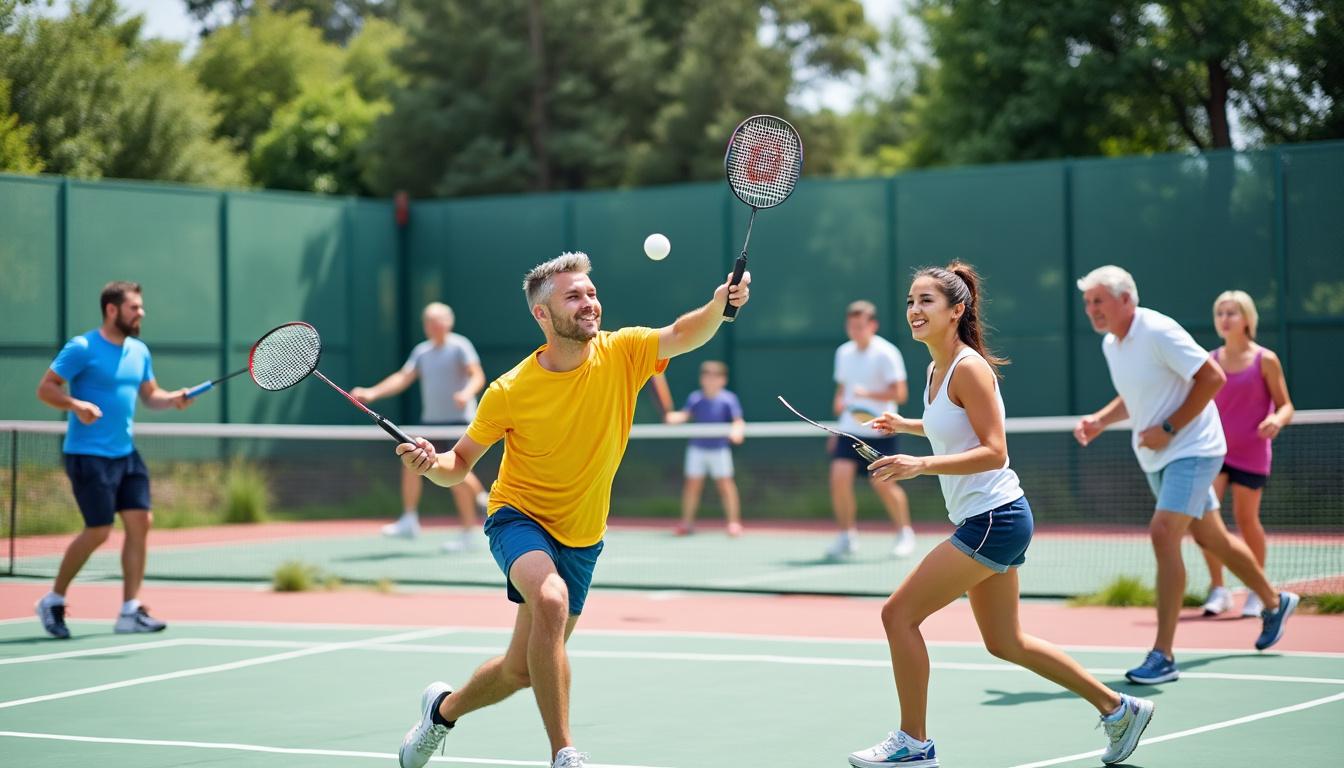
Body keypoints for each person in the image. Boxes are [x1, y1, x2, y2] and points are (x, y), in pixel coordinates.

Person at [391, 252, 750, 768]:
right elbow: (458, 463)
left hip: (583, 535)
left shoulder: (624, 352)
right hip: (519, 518)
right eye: (574, 296)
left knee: (520, 671)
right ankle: (565, 753)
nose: (590, 303)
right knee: (551, 602)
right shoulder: (510, 391)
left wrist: (719, 305)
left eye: (591, 292)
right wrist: (430, 464)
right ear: (542, 315)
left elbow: (683, 333)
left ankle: (441, 713)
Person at [854, 262, 1153, 768]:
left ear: (956, 310)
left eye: (926, 301)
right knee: (1005, 641)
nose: (914, 310)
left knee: (898, 615)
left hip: (994, 518)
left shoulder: (969, 367)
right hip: (994, 519)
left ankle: (913, 742)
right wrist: (908, 424)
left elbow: (994, 451)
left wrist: (919, 465)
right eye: (910, 301)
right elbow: (954, 426)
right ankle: (1119, 708)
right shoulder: (935, 368)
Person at [1074, 266, 1298, 685]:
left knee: (1163, 533)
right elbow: (1136, 394)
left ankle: (1163, 655)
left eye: (1099, 300)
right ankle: (1274, 600)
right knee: (1210, 535)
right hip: (1158, 456)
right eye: (1088, 303)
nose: (1092, 310)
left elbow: (1211, 377)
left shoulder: (1158, 330)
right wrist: (1100, 420)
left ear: (1126, 300)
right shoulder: (1112, 345)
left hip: (1195, 448)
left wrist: (1170, 428)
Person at [33, 281, 193, 639]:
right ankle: (53, 599)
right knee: (100, 530)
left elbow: (151, 397)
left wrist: (174, 398)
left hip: (126, 453)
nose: (141, 313)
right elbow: (46, 387)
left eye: (140, 306)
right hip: (88, 455)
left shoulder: (139, 351)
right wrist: (76, 405)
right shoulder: (82, 347)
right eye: (134, 307)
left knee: (141, 522)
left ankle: (129, 610)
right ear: (111, 310)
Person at [351, 302, 489, 552]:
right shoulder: (422, 352)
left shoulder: (460, 346)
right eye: (429, 321)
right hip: (431, 424)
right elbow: (403, 377)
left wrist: (466, 393)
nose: (433, 325)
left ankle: (474, 522)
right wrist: (372, 393)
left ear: (449, 322)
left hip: (458, 423)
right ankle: (410, 519)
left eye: (438, 320)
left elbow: (476, 375)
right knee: (411, 462)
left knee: (457, 474)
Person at [1198, 290, 1295, 617]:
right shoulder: (1210, 362)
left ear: (1247, 319)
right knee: (1204, 518)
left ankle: (1257, 589)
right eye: (1220, 313)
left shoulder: (1265, 360)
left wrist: (1275, 420)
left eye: (1232, 313)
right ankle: (1218, 588)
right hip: (1214, 453)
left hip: (1252, 453)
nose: (1225, 319)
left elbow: (1286, 406)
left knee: (1245, 519)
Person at [827, 300, 915, 559]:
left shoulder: (887, 353)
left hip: (880, 431)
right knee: (838, 479)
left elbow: (900, 393)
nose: (855, 331)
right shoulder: (843, 353)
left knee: (885, 486)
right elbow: (843, 389)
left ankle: (904, 533)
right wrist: (839, 407)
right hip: (848, 431)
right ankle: (846, 536)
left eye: (860, 326)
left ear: (872, 325)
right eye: (851, 326)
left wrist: (869, 394)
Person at [664, 360, 746, 536]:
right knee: (692, 485)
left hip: (720, 450)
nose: (710, 380)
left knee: (726, 485)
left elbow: (738, 421)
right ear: (702, 379)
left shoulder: (728, 399)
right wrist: (674, 418)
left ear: (723, 380)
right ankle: (686, 523)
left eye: (715, 376)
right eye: (706, 376)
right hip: (697, 449)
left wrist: (737, 431)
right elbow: (685, 414)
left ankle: (733, 523)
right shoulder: (695, 398)